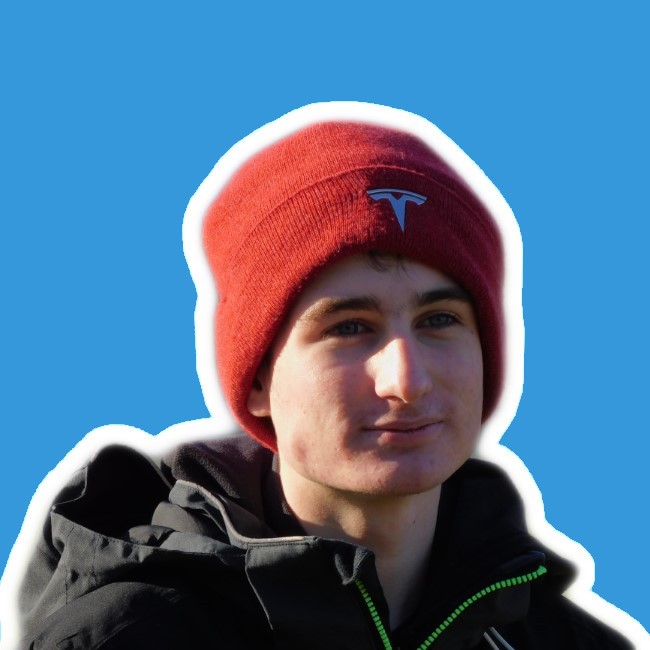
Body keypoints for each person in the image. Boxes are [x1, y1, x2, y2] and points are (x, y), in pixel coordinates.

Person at [8, 103, 640, 649]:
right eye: (350, 327)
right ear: (257, 380)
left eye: (440, 319)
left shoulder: (563, 641)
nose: (406, 380)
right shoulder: (128, 637)